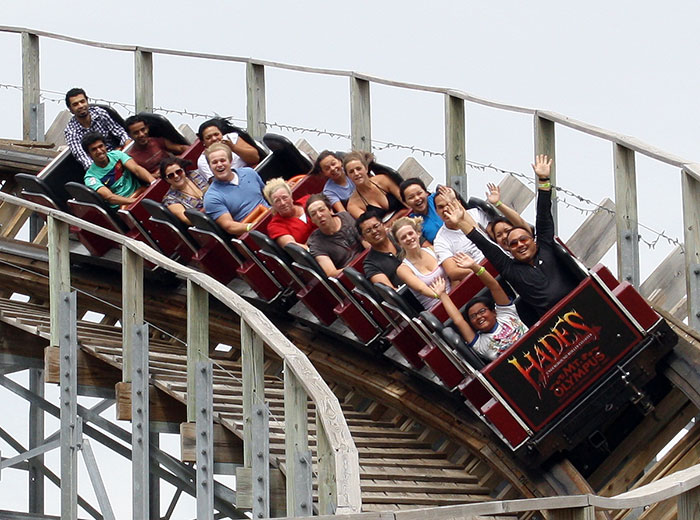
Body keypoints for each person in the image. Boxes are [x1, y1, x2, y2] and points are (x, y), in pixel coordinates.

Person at [442, 155, 580, 324]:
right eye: (513, 244)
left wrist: (544, 179)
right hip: (557, 324)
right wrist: (461, 222)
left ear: (532, 240)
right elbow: (484, 243)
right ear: (508, 249)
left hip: (581, 304)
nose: (520, 245)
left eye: (523, 240)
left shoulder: (545, 247)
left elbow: (543, 215)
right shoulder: (511, 269)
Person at [429, 253, 527, 361]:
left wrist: (475, 267)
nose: (479, 317)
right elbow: (458, 321)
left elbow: (494, 286)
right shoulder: (479, 344)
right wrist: (442, 295)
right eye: (473, 316)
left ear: (494, 312)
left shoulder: (506, 314)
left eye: (482, 311)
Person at [203, 143, 268, 235]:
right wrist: (253, 226)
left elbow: (268, 195)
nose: (219, 165)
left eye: (223, 160)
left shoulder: (249, 173)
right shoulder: (212, 197)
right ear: (210, 167)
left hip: (273, 217)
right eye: (214, 162)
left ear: (230, 161)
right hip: (253, 233)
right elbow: (230, 226)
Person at [432, 186, 492, 281]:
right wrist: (479, 270)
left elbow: (495, 236)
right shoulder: (440, 240)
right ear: (436, 212)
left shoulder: (476, 214)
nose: (446, 209)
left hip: (497, 259)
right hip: (479, 277)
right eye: (441, 207)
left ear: (458, 203)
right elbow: (453, 272)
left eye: (449, 203)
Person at [81, 132, 155, 207]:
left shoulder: (117, 155)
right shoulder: (90, 177)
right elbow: (110, 197)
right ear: (89, 154)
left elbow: (136, 169)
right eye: (94, 149)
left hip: (140, 192)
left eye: (101, 146)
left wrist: (153, 182)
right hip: (122, 206)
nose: (99, 151)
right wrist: (135, 201)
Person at [64, 88, 130, 171]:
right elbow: (81, 156)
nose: (80, 106)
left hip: (118, 155)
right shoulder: (71, 131)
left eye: (82, 101)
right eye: (75, 104)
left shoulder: (101, 114)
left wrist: (125, 148)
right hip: (99, 166)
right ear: (70, 109)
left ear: (87, 101)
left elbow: (120, 132)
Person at [392, 216, 450, 310]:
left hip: (453, 294)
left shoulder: (432, 249)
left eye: (410, 233)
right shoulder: (403, 269)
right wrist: (444, 297)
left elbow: (451, 270)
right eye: (403, 237)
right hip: (437, 307)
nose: (409, 238)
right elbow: (422, 289)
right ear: (399, 243)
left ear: (418, 233)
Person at [306, 194, 365, 277]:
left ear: (330, 210)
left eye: (321, 210)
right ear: (312, 220)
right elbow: (331, 273)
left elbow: (365, 241)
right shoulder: (315, 243)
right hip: (351, 275)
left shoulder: (345, 216)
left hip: (368, 261)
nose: (319, 215)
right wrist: (355, 269)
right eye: (314, 214)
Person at [344, 152, 406, 225]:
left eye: (358, 169)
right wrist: (400, 214)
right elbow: (372, 225)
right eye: (351, 172)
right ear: (348, 176)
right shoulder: (352, 205)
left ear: (366, 169)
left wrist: (403, 213)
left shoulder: (383, 180)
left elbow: (406, 201)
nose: (356, 173)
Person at [124, 115, 189, 176]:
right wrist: (155, 175)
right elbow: (143, 177)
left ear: (147, 128)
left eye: (143, 130)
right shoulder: (132, 158)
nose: (141, 134)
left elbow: (180, 148)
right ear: (130, 135)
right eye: (136, 133)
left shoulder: (157, 141)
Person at [263, 178, 315, 248]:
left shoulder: (308, 200)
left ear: (291, 196)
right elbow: (293, 247)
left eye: (285, 198)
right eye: (277, 201)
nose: (283, 203)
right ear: (272, 204)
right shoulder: (275, 226)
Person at [358, 209, 402, 288]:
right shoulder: (370, 265)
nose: (374, 231)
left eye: (376, 226)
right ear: (364, 238)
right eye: (368, 231)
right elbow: (391, 292)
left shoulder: (400, 234)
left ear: (383, 225)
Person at [160, 157, 209, 224]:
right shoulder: (170, 199)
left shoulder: (196, 174)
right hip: (206, 223)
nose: (176, 176)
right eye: (171, 175)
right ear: (166, 180)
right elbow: (188, 220)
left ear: (183, 170)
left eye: (178, 172)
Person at [482, 183, 530, 249]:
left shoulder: (528, 245)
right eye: (499, 235)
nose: (504, 236)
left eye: (507, 231)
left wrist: (498, 204)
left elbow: (521, 224)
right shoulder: (500, 256)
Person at [399, 178, 443, 244]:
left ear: (426, 192)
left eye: (419, 193)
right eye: (411, 197)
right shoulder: (412, 224)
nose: (417, 198)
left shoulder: (438, 199)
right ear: (406, 203)